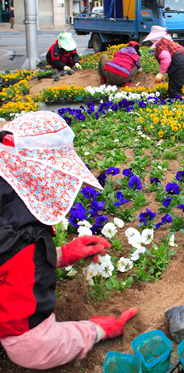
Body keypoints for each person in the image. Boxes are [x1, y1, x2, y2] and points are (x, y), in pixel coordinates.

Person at [0, 111, 138, 370]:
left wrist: (58, 254)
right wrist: (94, 330)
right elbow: (31, 348)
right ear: (46, 179)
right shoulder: (23, 239)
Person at [144, 25, 184, 99]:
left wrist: (161, 72)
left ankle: (183, 105)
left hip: (181, 61)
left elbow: (166, 58)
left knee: (173, 91)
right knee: (176, 85)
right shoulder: (169, 41)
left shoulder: (160, 43)